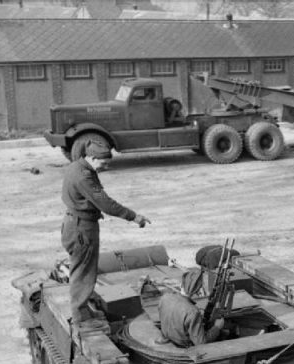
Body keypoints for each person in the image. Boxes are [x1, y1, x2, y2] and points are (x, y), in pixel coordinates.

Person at [61, 140, 151, 328]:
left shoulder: (76, 166)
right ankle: (80, 317)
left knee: (81, 268)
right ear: (92, 158)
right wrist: (134, 217)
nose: (107, 166)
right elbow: (106, 204)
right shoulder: (83, 177)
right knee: (84, 271)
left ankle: (82, 309)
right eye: (104, 162)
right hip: (82, 229)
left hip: (73, 223)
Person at [158, 268, 224, 348]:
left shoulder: (165, 298)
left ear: (182, 284)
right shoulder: (193, 312)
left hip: (170, 337)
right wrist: (217, 327)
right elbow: (201, 343)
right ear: (198, 290)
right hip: (184, 345)